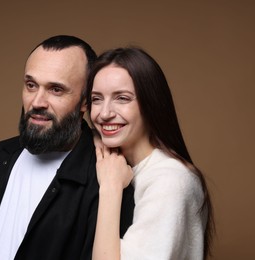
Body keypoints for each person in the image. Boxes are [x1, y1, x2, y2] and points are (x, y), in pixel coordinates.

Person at [0, 35, 135, 260]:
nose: (37, 102)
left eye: (56, 89)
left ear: (86, 100)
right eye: (31, 85)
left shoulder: (106, 177)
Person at [87, 47, 214, 260]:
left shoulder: (170, 180)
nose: (104, 113)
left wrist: (111, 187)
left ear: (150, 103)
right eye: (97, 99)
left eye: (122, 98)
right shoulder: (117, 160)